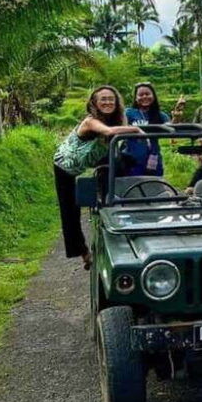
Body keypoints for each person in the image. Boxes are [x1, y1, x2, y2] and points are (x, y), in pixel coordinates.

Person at [53, 85, 142, 268]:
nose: (108, 102)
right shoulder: (90, 121)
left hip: (92, 160)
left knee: (127, 163)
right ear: (94, 103)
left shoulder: (117, 120)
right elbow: (109, 133)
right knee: (70, 211)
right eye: (103, 99)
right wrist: (136, 130)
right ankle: (84, 253)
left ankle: (121, 217)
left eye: (111, 99)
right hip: (65, 166)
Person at [124, 82, 174, 176]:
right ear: (135, 98)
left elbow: (171, 128)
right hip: (132, 159)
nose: (144, 97)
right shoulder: (129, 113)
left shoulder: (160, 115)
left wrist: (176, 117)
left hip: (153, 158)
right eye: (141, 95)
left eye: (147, 94)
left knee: (153, 185)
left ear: (153, 96)